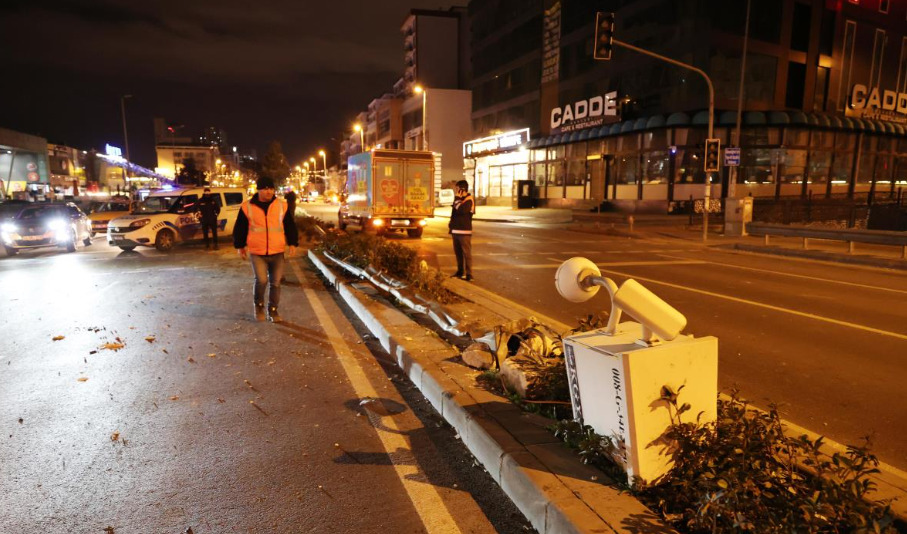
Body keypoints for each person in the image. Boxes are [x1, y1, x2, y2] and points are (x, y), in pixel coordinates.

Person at [233, 177, 299, 323]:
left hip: (277, 251)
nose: (269, 191)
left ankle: (273, 310)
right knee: (262, 280)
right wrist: (240, 246)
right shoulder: (247, 206)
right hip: (257, 252)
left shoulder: (282, 205)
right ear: (259, 189)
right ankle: (259, 306)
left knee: (275, 283)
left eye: (271, 188)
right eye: (265, 188)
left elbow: (289, 225)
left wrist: (293, 243)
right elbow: (240, 228)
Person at [448, 179, 474, 281]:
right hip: (456, 231)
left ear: (462, 189)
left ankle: (469, 274)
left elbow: (461, 210)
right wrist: (451, 226)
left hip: (464, 232)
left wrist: (457, 199)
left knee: (466, 253)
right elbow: (454, 213)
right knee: (458, 253)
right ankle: (460, 272)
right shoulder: (459, 199)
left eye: (457, 188)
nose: (456, 191)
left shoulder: (469, 199)